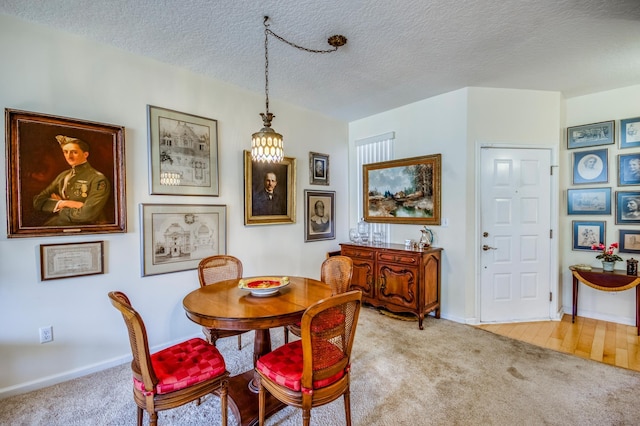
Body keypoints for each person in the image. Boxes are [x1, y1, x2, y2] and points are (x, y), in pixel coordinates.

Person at [33, 135, 111, 226]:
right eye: (65, 152)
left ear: (85, 154)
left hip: (89, 229)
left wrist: (60, 210)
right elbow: (38, 201)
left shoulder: (98, 179)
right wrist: (64, 203)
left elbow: (87, 214)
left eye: (74, 152)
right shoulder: (63, 176)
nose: (69, 156)